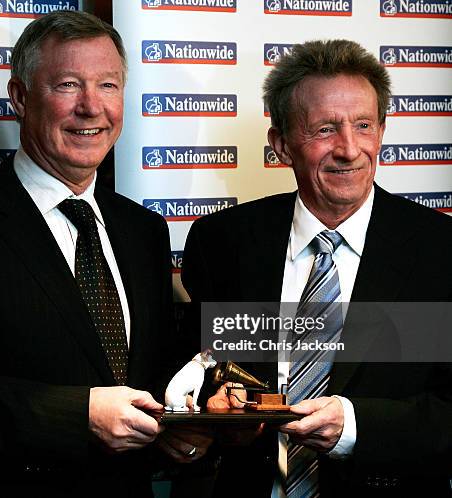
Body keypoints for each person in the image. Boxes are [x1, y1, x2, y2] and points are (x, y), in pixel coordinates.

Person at [0, 11, 209, 498]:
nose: (92, 107)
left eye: (108, 85)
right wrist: (76, 417)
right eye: (68, 85)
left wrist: (184, 421)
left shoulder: (143, 230)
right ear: (21, 98)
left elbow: (143, 374)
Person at [182, 39, 452, 496]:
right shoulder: (223, 243)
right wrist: (220, 416)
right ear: (281, 144)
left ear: (382, 131)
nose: (349, 149)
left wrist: (353, 426)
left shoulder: (439, 251)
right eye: (325, 129)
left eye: (364, 125)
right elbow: (204, 370)